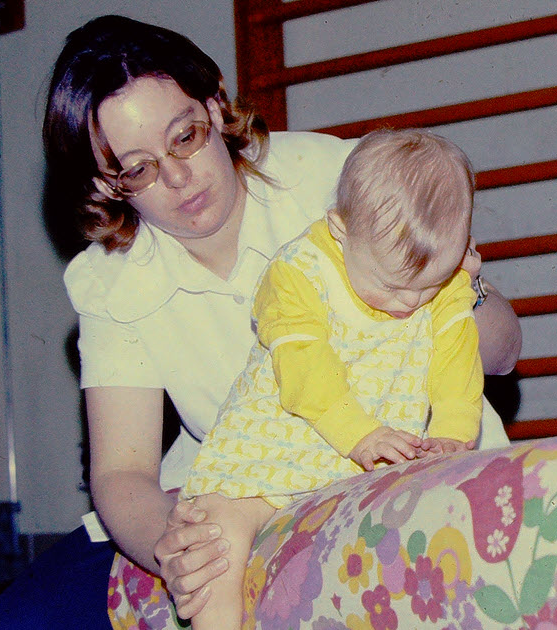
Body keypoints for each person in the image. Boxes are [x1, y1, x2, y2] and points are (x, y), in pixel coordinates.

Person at [0, 15, 521, 630]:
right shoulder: (112, 281)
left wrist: (458, 284)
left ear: (214, 103)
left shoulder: (332, 178)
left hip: (400, 454)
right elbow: (122, 471)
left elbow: (502, 352)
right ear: (108, 184)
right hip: (250, 478)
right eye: (137, 169)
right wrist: (177, 547)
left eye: (184, 137)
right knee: (21, 619)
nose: (177, 178)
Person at [181, 128, 483, 629]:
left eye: (428, 286)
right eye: (392, 285)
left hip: (364, 469)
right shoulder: (299, 272)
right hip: (266, 459)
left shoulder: (446, 282)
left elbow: (457, 360)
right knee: (217, 549)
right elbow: (304, 363)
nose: (411, 303)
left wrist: (453, 431)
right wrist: (357, 432)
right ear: (340, 229)